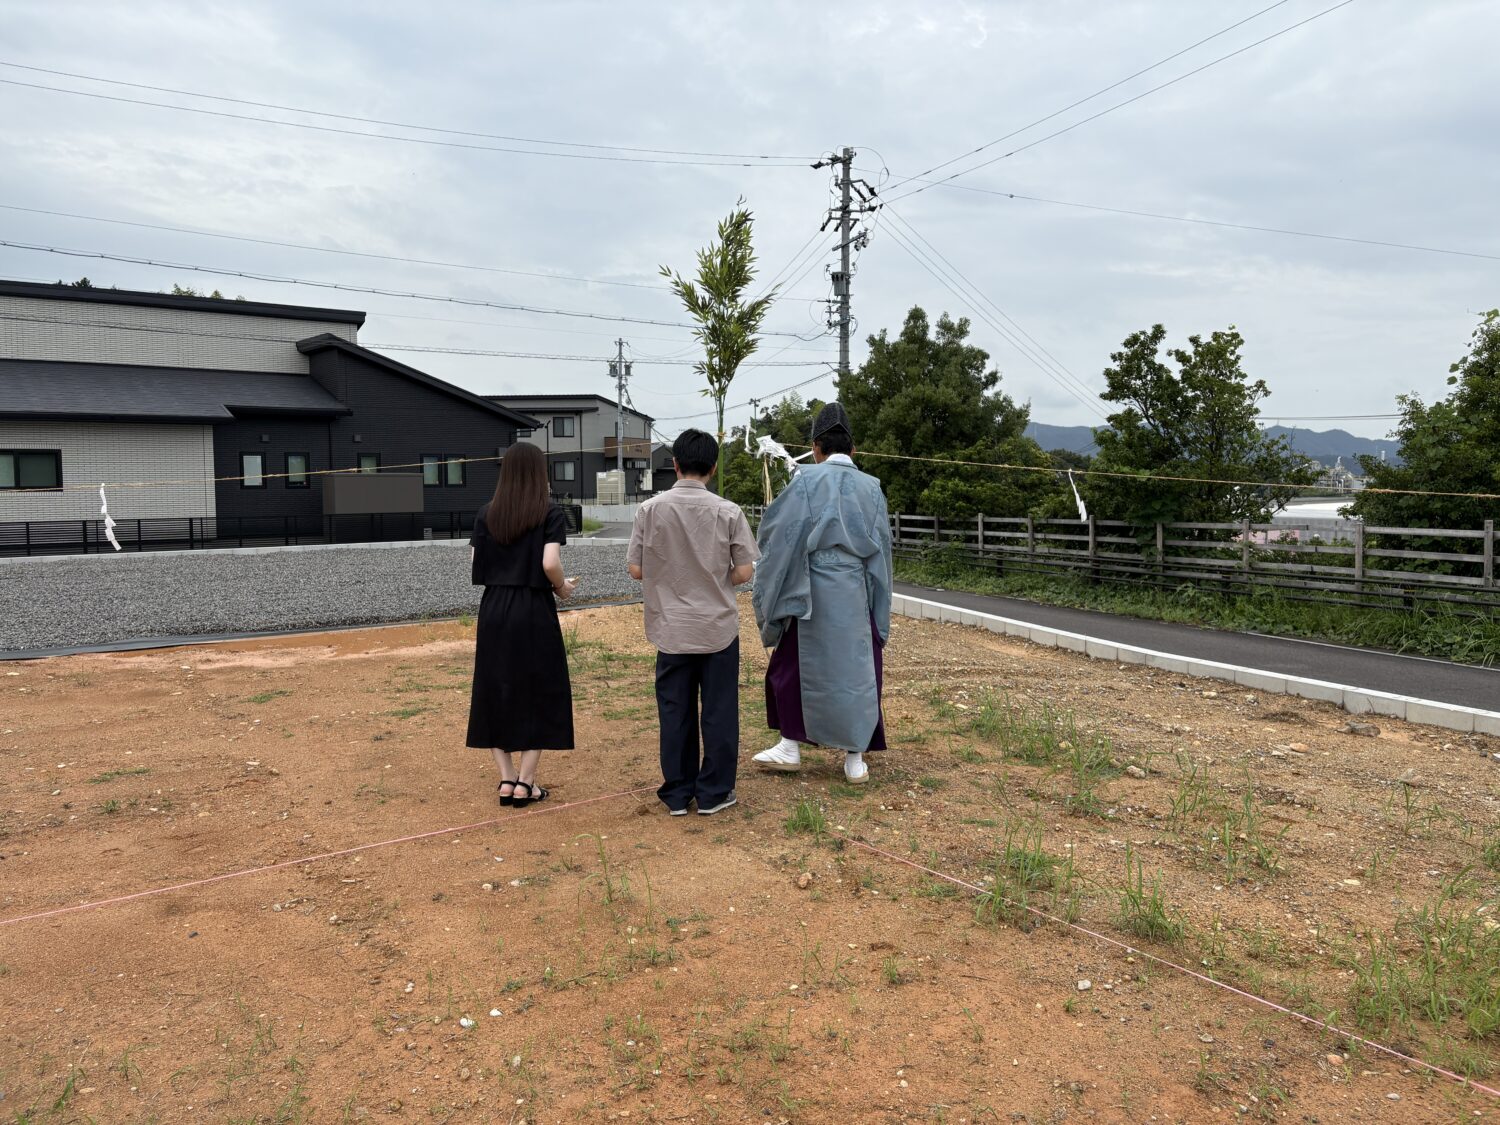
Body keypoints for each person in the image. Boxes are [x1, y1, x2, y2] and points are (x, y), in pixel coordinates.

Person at [751, 402, 892, 783]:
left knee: (793, 666)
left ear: (815, 447)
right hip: (856, 592)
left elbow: (780, 535)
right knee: (859, 672)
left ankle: (790, 745)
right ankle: (854, 759)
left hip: (810, 591)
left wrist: (773, 591)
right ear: (854, 449)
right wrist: (880, 612)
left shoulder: (805, 481)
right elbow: (882, 552)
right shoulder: (873, 488)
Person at [627, 429, 759, 815]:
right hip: (717, 627)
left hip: (670, 628)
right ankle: (715, 792)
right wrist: (716, 579)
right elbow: (745, 571)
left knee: (674, 710)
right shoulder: (728, 511)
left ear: (675, 464)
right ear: (713, 468)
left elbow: (636, 569)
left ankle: (678, 792)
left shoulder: (650, 510)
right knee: (718, 711)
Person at [466, 442, 577, 807]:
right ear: (538, 473)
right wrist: (562, 588)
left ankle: (506, 778)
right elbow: (549, 563)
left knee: (494, 686)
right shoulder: (548, 511)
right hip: (532, 608)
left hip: (494, 607)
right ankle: (527, 783)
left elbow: (475, 561)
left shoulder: (486, 513)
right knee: (539, 688)